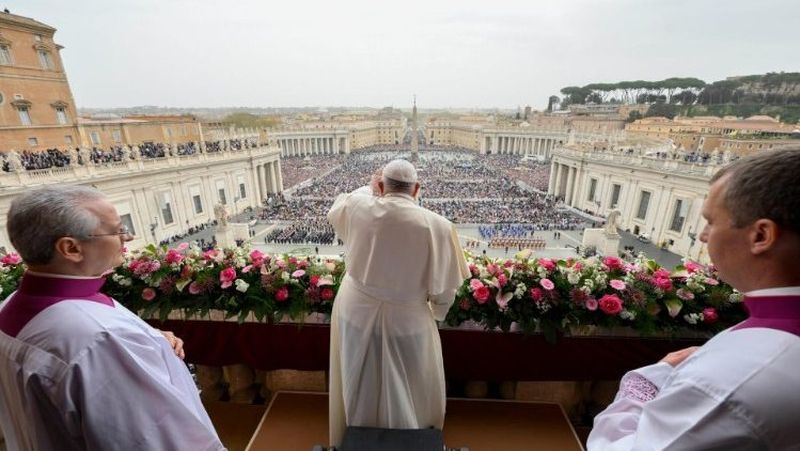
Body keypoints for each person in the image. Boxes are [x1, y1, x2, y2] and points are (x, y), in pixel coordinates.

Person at [588, 147, 800, 450]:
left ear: (760, 236)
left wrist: (645, 382)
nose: (702, 236)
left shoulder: (733, 378)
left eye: (711, 221)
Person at [0, 185, 224, 450]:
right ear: (71, 248)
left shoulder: (9, 306)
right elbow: (152, 439)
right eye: (118, 230)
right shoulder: (102, 340)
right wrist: (130, 346)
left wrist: (150, 341)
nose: (127, 237)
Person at [327, 159, 469, 448]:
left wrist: (371, 188)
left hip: (355, 311)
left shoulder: (359, 205)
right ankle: (411, 438)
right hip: (408, 319)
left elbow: (340, 206)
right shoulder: (438, 226)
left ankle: (357, 436)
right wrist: (437, 313)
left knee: (359, 380)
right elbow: (444, 292)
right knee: (411, 386)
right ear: (417, 189)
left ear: (380, 186)